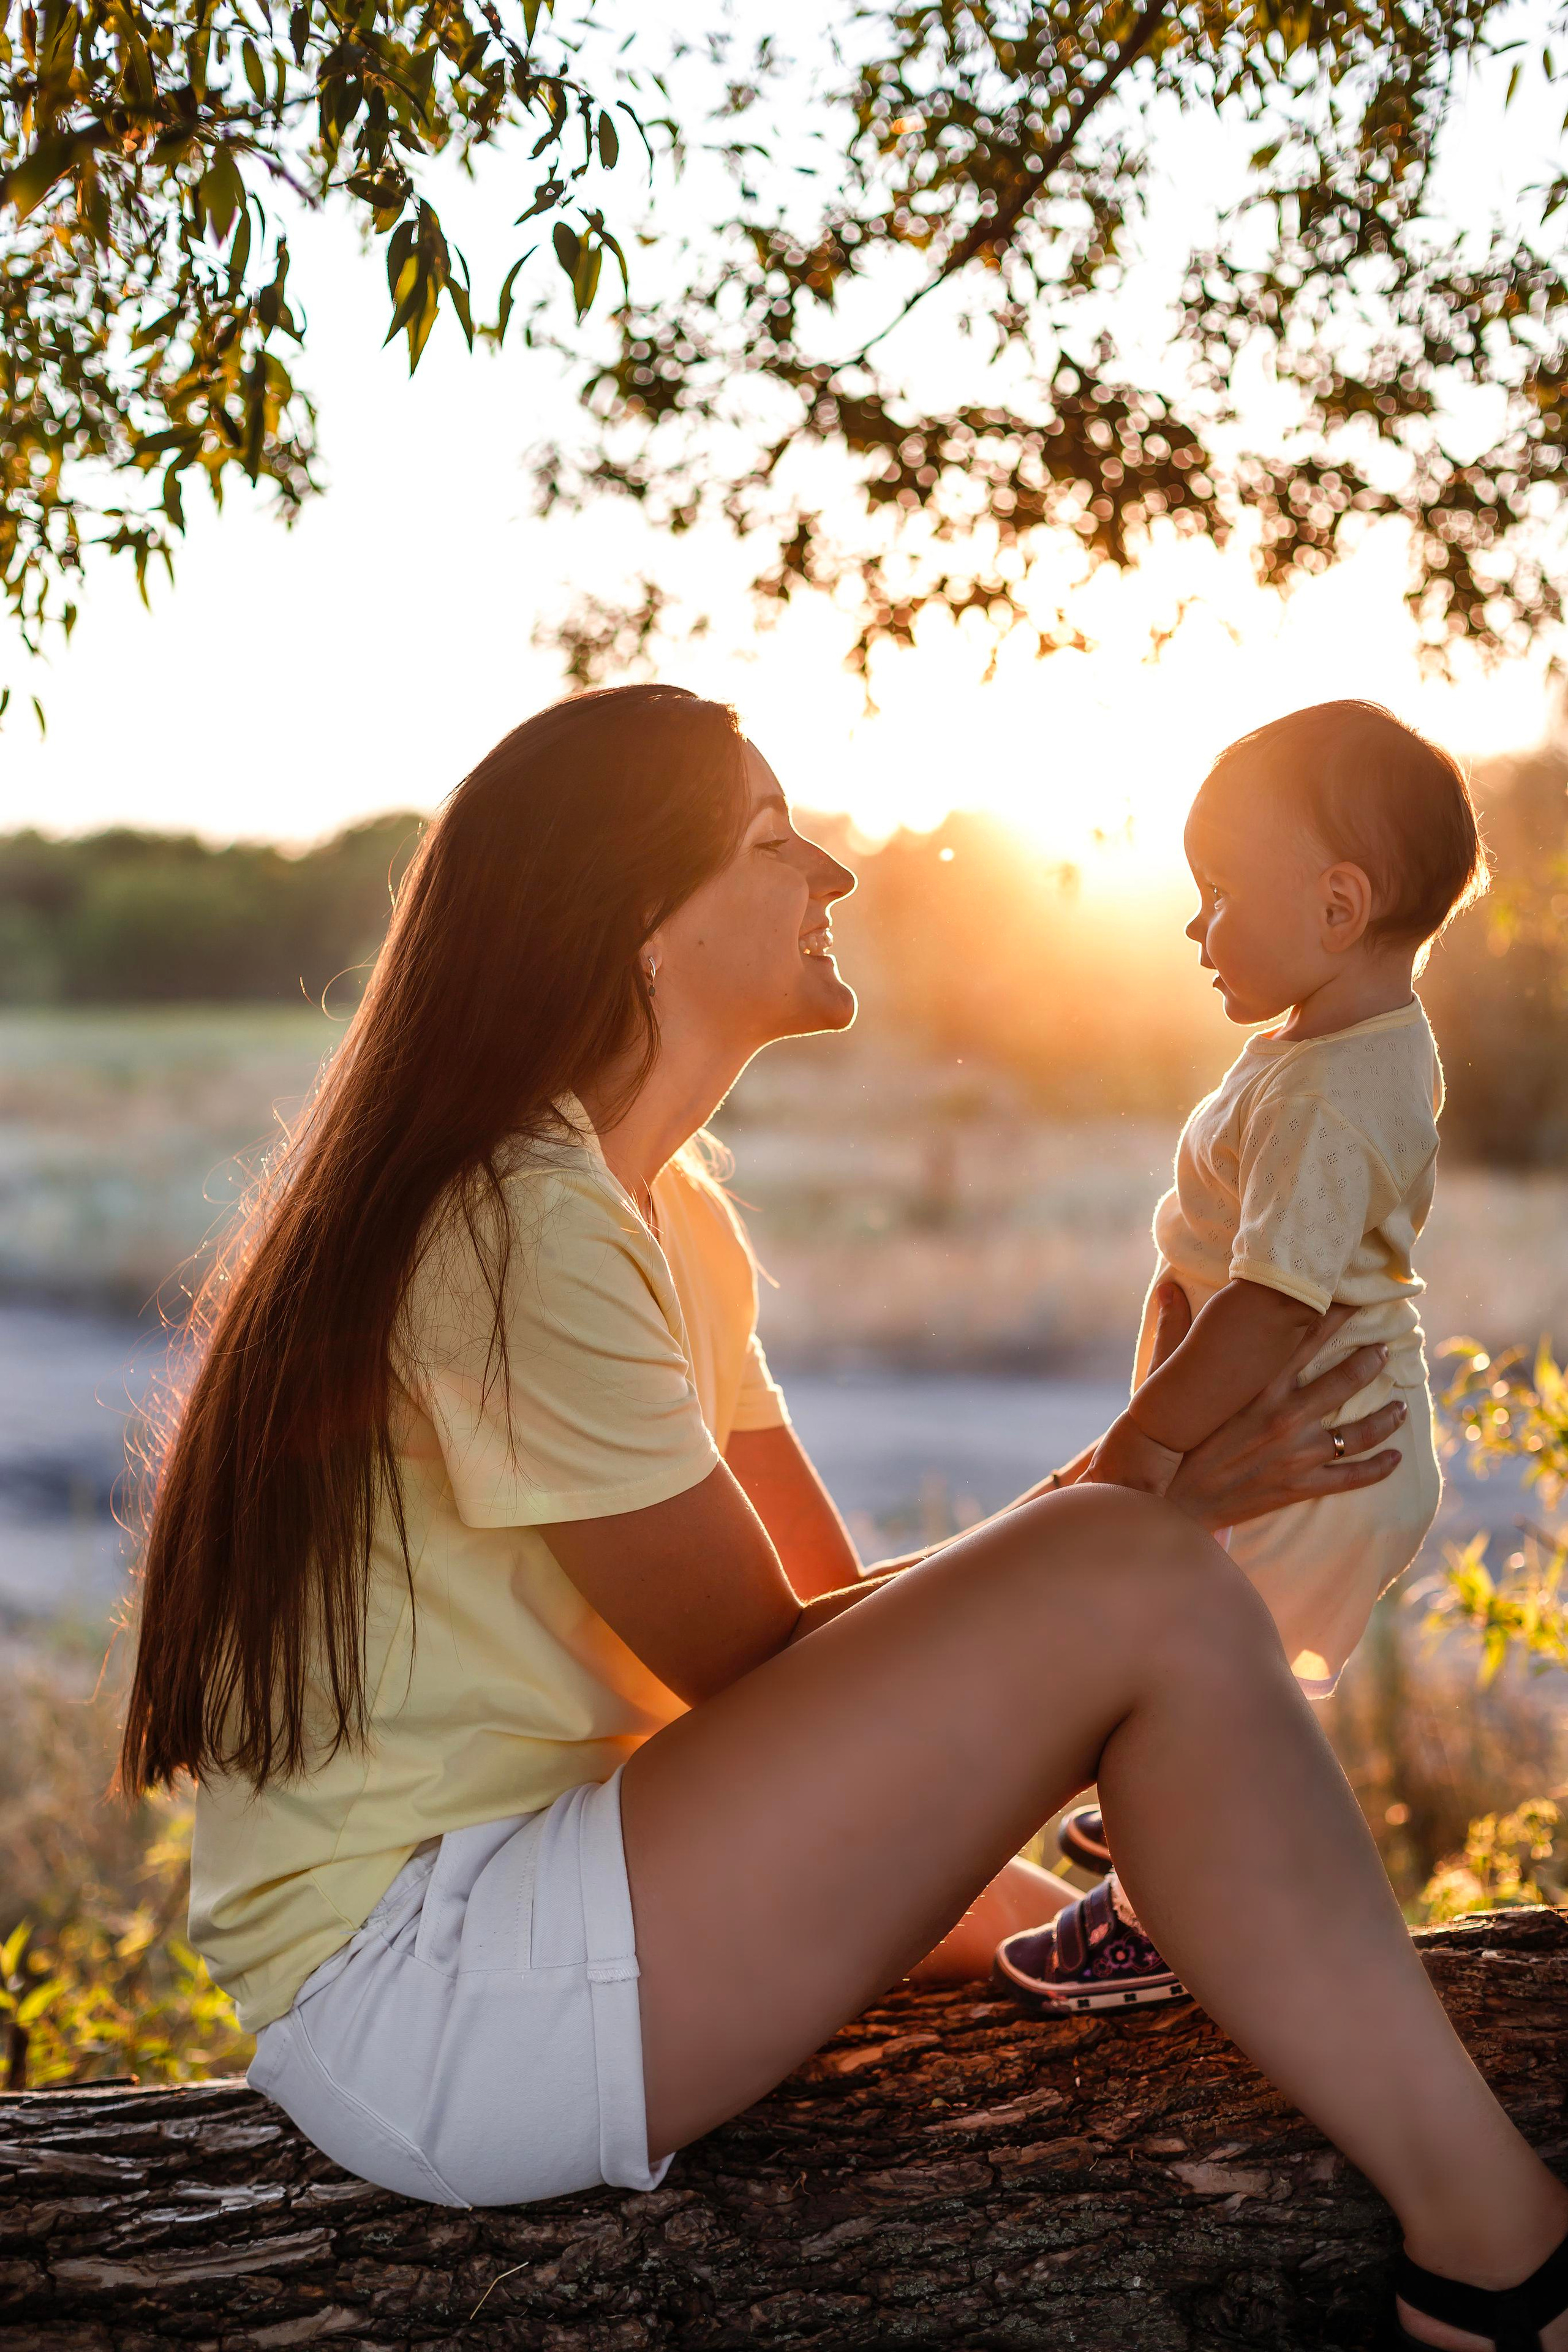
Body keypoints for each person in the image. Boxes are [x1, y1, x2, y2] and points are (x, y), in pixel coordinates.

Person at [120, 687, 1568, 2352]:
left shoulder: (667, 1215)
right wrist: (1162, 1489)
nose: (834, 869)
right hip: (435, 1989)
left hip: (598, 1871)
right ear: (639, 923)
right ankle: (1504, 2258)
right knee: (1126, 1569)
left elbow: (839, 1637)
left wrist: (1123, 1562)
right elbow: (763, 1661)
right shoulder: (518, 1226)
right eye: (770, 839)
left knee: (1125, 1742)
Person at [1008, 706, 1484, 2028]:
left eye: (1217, 893)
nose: (1191, 925)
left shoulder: (1331, 1090)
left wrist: (1143, 1450)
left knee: (1210, 1684)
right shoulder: (1332, 1043)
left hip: (1321, 1455)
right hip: (1324, 1439)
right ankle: (1161, 1828)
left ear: (1337, 906)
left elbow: (1271, 1308)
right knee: (1219, 1677)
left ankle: (1162, 1922)